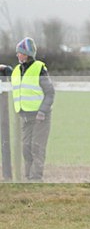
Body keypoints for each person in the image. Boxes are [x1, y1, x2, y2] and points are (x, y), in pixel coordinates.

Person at [0, 37, 55, 181]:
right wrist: (4, 68)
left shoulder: (39, 69)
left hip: (40, 117)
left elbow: (50, 93)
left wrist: (42, 111)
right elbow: (13, 75)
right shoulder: (18, 70)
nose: (17, 55)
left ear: (26, 54)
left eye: (19, 52)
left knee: (37, 148)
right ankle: (28, 178)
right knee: (26, 149)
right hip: (25, 117)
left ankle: (36, 179)